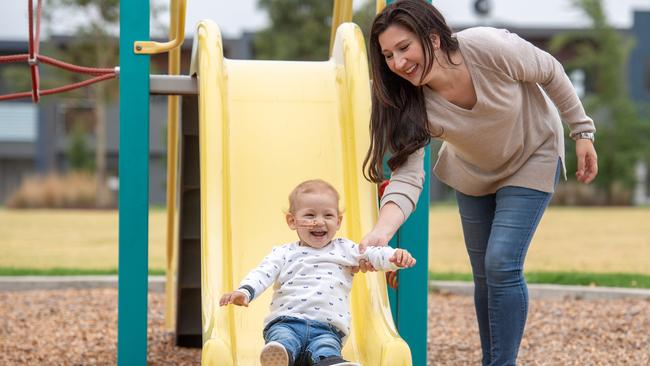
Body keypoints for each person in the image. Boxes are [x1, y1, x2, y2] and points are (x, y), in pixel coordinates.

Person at [359, 1, 598, 365]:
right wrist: (381, 232)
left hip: (533, 152)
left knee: (502, 262)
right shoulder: (408, 101)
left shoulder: (488, 48)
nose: (398, 63)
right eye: (388, 55)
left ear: (434, 38)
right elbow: (407, 175)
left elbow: (550, 70)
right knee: (485, 276)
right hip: (472, 172)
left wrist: (582, 131)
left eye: (404, 47)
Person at [220, 179, 416, 366]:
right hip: (287, 321)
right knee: (283, 339)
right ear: (292, 221)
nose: (319, 222)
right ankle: (282, 356)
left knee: (325, 348)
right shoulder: (283, 253)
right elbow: (262, 273)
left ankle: (331, 362)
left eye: (328, 215)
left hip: (327, 327)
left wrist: (394, 257)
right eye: (310, 215)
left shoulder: (345, 249)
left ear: (338, 222)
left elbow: (373, 254)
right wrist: (245, 291)